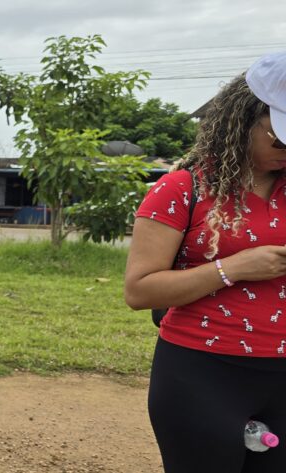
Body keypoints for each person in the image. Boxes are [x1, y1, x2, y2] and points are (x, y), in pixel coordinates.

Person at [125, 50, 286, 473]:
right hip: (202, 373)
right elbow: (139, 291)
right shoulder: (182, 189)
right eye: (279, 139)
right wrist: (234, 268)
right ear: (242, 121)